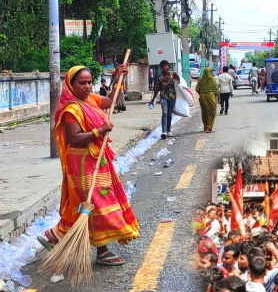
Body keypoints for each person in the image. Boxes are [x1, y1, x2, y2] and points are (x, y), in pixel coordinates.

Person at [38, 65, 139, 265]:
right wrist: (100, 130)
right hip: (81, 163)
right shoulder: (71, 109)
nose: (87, 86)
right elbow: (74, 138)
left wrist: (119, 78)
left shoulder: (91, 99)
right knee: (95, 204)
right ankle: (102, 250)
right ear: (70, 85)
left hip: (98, 160)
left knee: (90, 202)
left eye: (89, 82)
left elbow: (110, 101)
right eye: (81, 83)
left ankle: (56, 236)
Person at [148, 60, 179, 139]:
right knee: (164, 113)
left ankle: (169, 130)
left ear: (168, 66)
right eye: (163, 66)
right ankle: (164, 131)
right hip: (163, 97)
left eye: (166, 66)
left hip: (172, 97)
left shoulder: (174, 75)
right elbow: (157, 88)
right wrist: (153, 99)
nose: (164, 68)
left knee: (169, 114)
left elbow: (179, 84)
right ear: (161, 68)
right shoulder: (159, 77)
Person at [195, 67, 218, 133]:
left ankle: (205, 126)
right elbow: (215, 90)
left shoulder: (200, 80)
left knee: (204, 111)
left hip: (202, 96)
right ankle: (209, 127)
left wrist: (201, 93)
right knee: (212, 112)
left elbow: (197, 89)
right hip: (210, 96)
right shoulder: (212, 80)